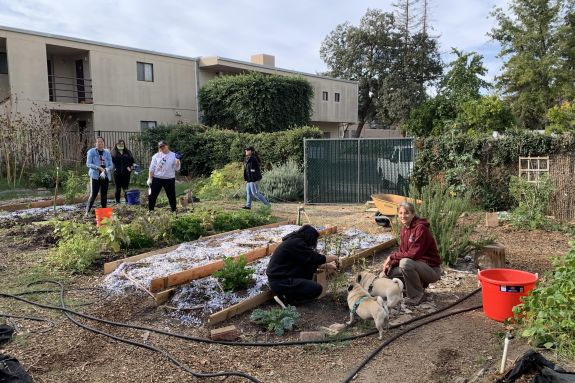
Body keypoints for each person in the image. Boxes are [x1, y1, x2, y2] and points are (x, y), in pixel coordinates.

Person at [381, 201, 442, 305]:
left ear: (413, 214)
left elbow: (413, 254)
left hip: (431, 269)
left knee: (405, 263)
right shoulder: (404, 229)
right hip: (417, 265)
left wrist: (391, 257)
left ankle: (417, 295)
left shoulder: (420, 228)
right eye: (400, 213)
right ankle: (404, 290)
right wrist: (390, 264)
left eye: (406, 213)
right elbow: (402, 252)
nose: (403, 216)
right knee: (386, 274)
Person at [266, 225, 338, 303]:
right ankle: (287, 299)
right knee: (317, 289)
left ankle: (287, 295)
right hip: (281, 282)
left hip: (281, 279)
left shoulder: (294, 241)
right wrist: (334, 257)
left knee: (308, 270)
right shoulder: (296, 243)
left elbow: (308, 261)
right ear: (310, 238)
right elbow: (316, 258)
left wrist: (327, 266)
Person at [147, 140, 180, 212]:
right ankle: (151, 210)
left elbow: (177, 169)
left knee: (171, 196)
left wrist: (177, 162)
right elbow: (151, 168)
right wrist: (150, 178)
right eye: (160, 147)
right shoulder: (156, 156)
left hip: (169, 179)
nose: (162, 148)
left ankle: (174, 210)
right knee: (152, 195)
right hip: (157, 178)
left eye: (163, 146)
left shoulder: (174, 155)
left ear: (167, 146)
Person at [85, 136, 113, 215]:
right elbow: (88, 164)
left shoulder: (107, 152)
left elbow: (111, 165)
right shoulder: (91, 152)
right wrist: (98, 167)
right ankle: (87, 211)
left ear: (103, 143)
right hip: (95, 176)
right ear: (95, 143)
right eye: (98, 142)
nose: (100, 143)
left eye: (101, 142)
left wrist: (106, 169)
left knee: (104, 194)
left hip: (105, 175)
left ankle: (104, 212)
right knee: (94, 194)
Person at [111, 139, 135, 204]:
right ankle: (117, 201)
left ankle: (127, 201)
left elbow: (132, 162)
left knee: (126, 187)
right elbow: (110, 163)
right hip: (117, 173)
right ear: (116, 145)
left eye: (122, 144)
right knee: (118, 188)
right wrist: (114, 168)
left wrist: (131, 168)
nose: (121, 145)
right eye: (119, 144)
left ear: (124, 145)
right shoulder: (113, 153)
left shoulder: (128, 152)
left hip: (126, 173)